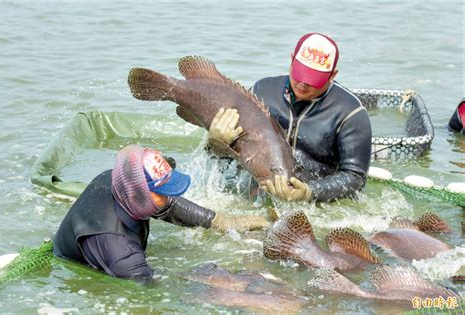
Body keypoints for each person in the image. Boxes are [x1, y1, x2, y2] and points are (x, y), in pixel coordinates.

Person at [53, 145, 268, 283]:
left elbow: (169, 204)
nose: (169, 197)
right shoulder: (121, 252)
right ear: (138, 193)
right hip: (90, 268)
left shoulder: (118, 179)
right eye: (161, 192)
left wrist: (222, 221)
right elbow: (154, 289)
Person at [209, 33, 372, 202]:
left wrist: (310, 192)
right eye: (300, 74)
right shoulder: (261, 91)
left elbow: (355, 177)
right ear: (292, 59)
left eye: (312, 79)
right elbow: (227, 156)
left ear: (332, 75)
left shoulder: (350, 112)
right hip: (254, 195)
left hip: (314, 206)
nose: (303, 84)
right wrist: (215, 142)